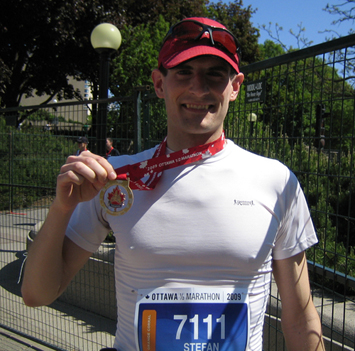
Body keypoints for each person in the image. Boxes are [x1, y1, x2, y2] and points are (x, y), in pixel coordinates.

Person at [21, 17, 324, 351]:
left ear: (235, 86)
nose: (198, 87)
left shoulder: (276, 181)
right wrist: (62, 208)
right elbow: (37, 293)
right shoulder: (114, 180)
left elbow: (299, 318)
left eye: (214, 73)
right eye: (183, 71)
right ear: (159, 83)